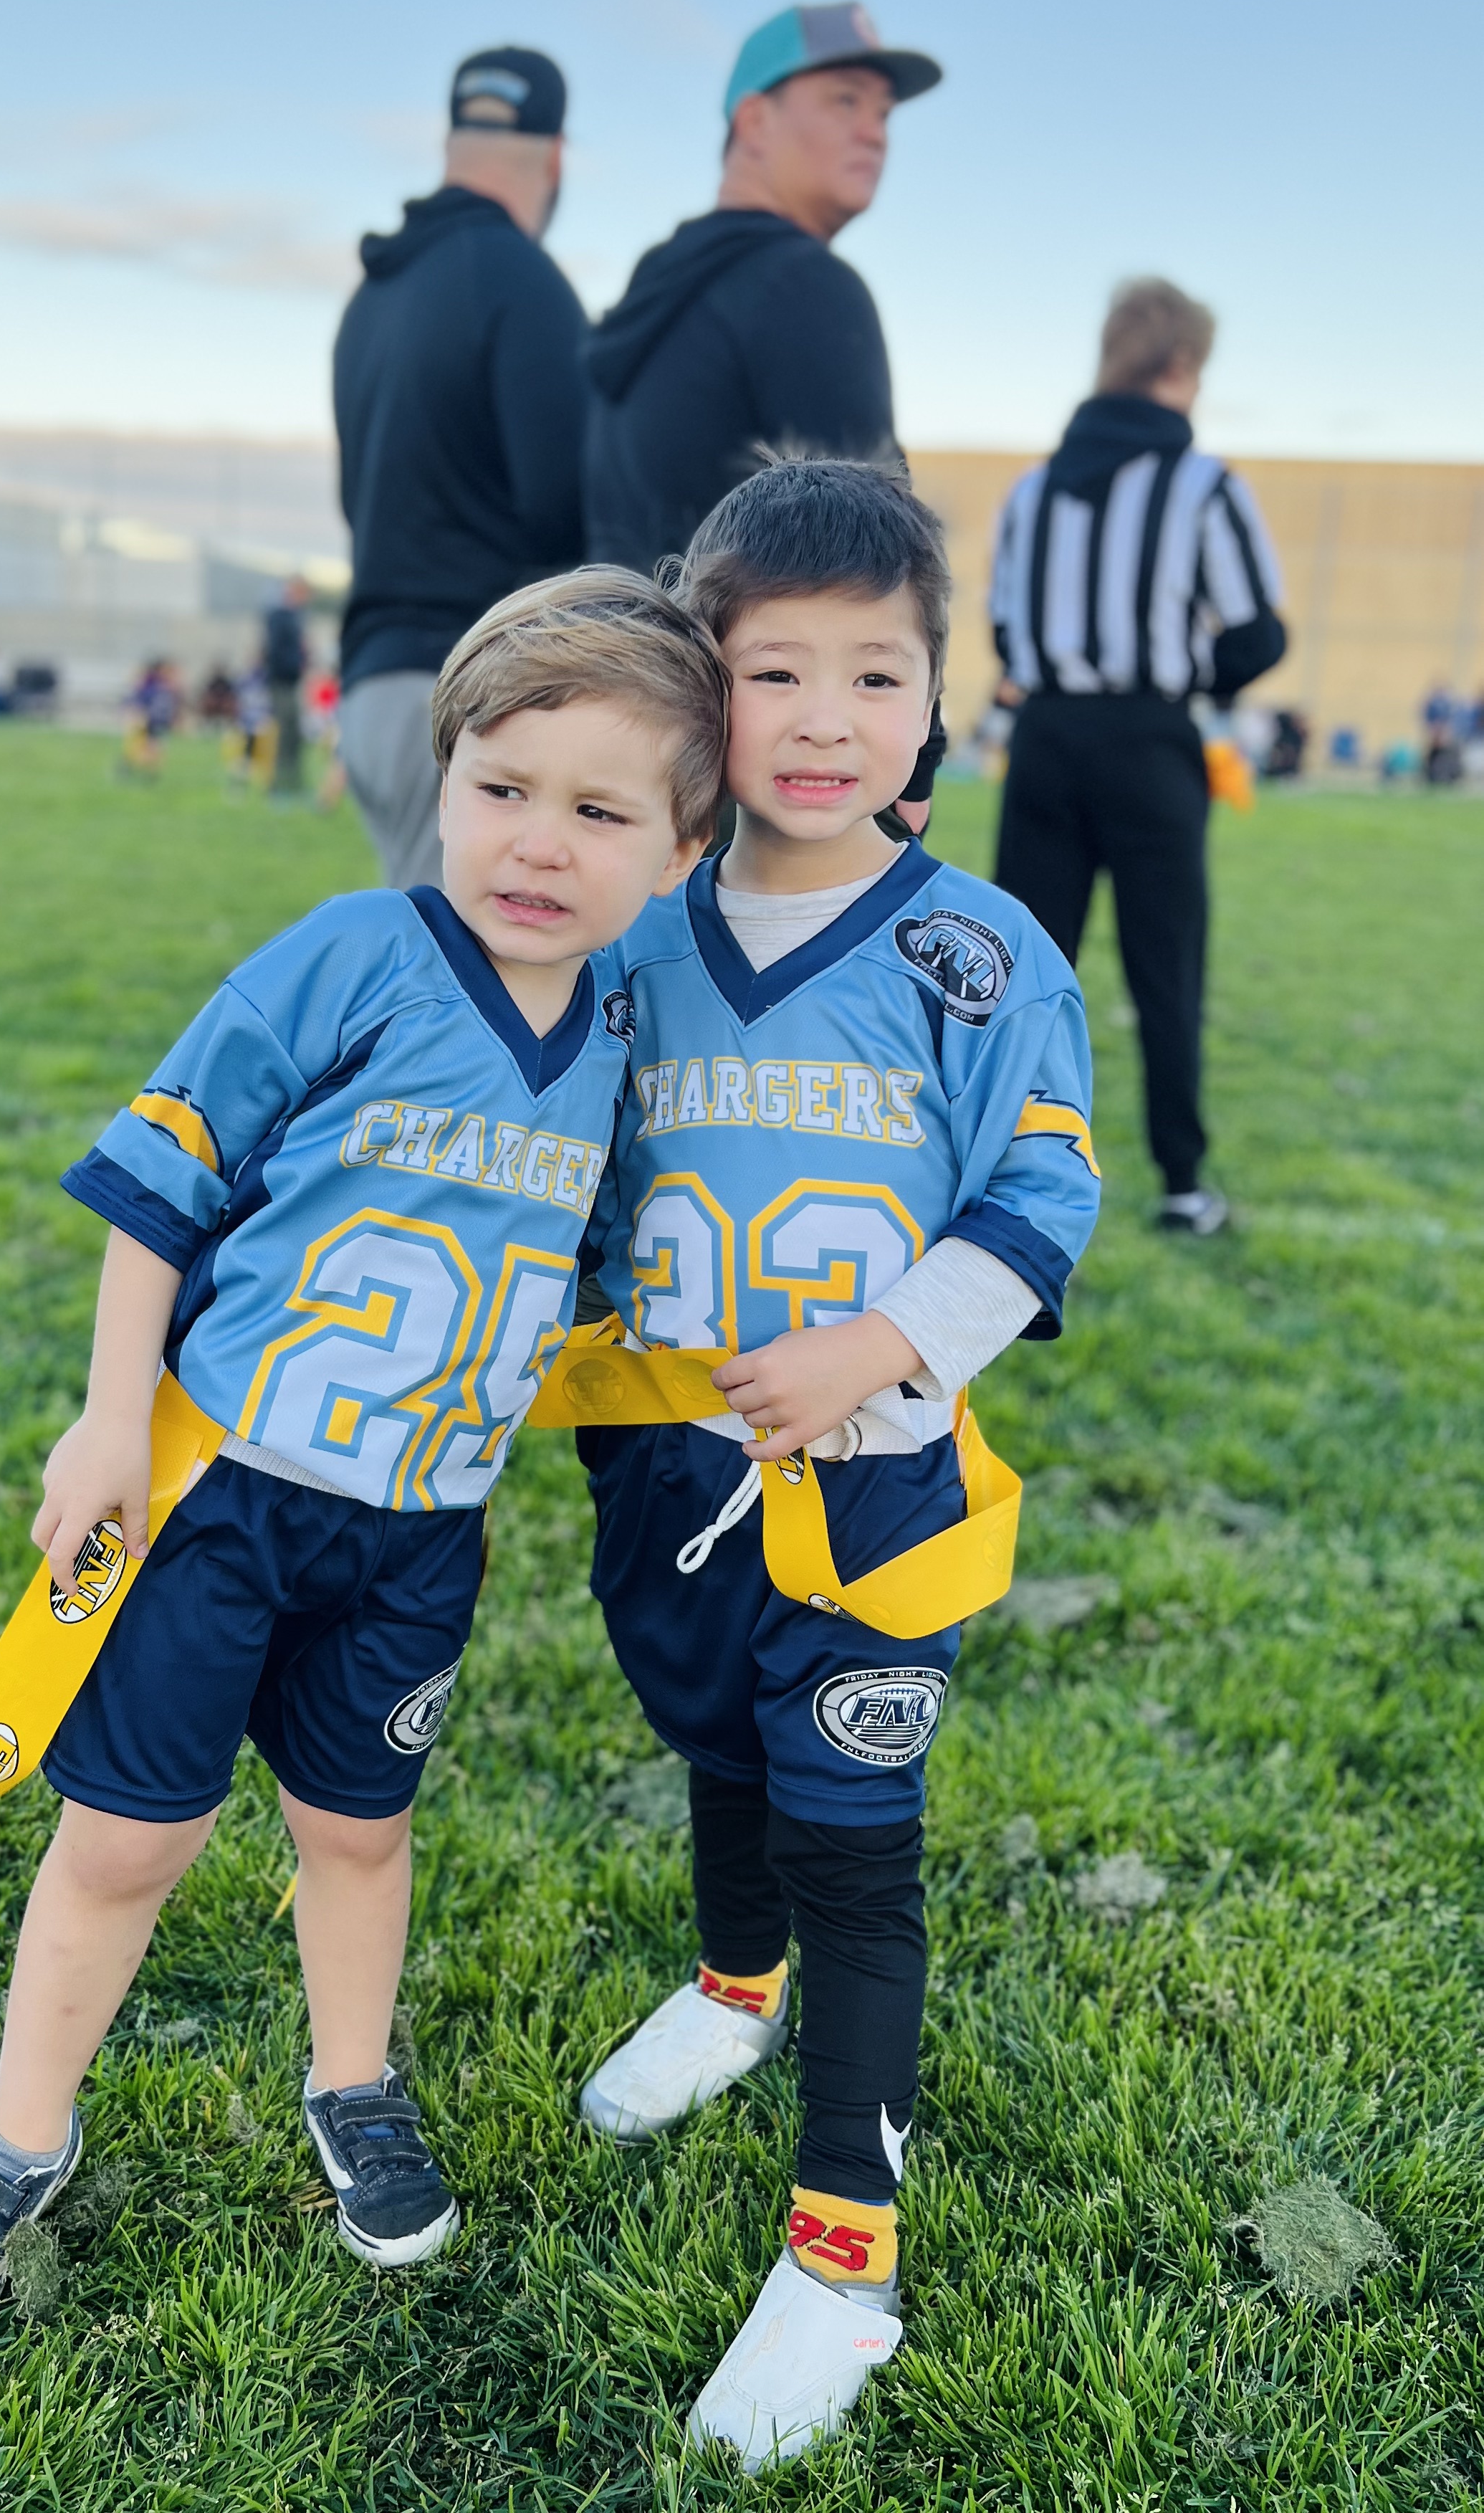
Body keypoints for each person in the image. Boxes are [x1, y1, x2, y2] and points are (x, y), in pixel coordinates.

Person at [0, 568, 727, 2374]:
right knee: (127, 1841)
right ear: (443, 767)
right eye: (500, 785)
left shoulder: (635, 1025)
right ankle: (18, 2133)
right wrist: (112, 1415)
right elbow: (166, 1180)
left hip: (422, 1526)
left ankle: (355, 2081)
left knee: (359, 1822)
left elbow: (624, 1239)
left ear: (676, 842)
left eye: (598, 809)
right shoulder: (351, 950)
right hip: (230, 1496)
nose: (537, 843)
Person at [568, 460, 1101, 2466]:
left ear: (933, 703)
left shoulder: (973, 946)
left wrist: (885, 1337)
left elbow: (1044, 1192)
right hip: (662, 1458)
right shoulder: (635, 929)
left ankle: (841, 2256)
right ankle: (725, 1980)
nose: (816, 716)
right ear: (701, 694)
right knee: (714, 1738)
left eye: (868, 674)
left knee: (855, 1849)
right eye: (768, 669)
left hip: (873, 1490)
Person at [989, 278, 1287, 1236]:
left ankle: (989, 1164)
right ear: (1182, 366)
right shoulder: (1203, 482)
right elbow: (1259, 634)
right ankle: (1181, 1182)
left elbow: (1004, 630)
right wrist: (1198, 673)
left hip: (1044, 740)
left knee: (1024, 967)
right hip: (1150, 743)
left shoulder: (1032, 489)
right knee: (1167, 967)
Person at [333, 48, 588, 891]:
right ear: (555, 158)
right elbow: (562, 514)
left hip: (373, 688)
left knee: (432, 970)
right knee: (458, 1000)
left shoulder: (372, 298)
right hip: (461, 694)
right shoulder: (523, 283)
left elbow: (355, 502)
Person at [582, 2, 940, 580]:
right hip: (734, 669)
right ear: (753, 122)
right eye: (845, 100)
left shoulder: (654, 292)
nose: (875, 134)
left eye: (884, 113)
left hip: (630, 660)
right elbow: (878, 571)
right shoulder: (806, 287)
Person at [262, 578, 310, 791]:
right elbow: (275, 651)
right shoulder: (279, 617)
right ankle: (279, 784)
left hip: (291, 681)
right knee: (283, 732)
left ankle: (292, 780)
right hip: (281, 681)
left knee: (294, 732)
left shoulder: (295, 617)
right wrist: (294, 664)